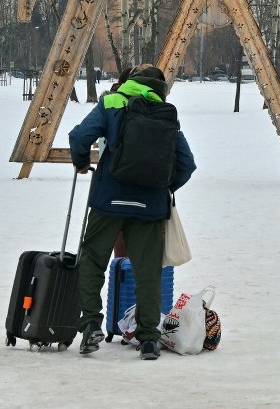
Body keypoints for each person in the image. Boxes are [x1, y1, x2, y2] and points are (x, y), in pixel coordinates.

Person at [68, 65, 197, 360]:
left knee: (92, 260)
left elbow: (80, 137)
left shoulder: (112, 102)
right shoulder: (163, 112)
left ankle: (90, 324)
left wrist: (81, 162)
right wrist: (163, 187)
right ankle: (149, 339)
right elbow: (187, 163)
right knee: (148, 271)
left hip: (108, 200)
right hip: (149, 206)